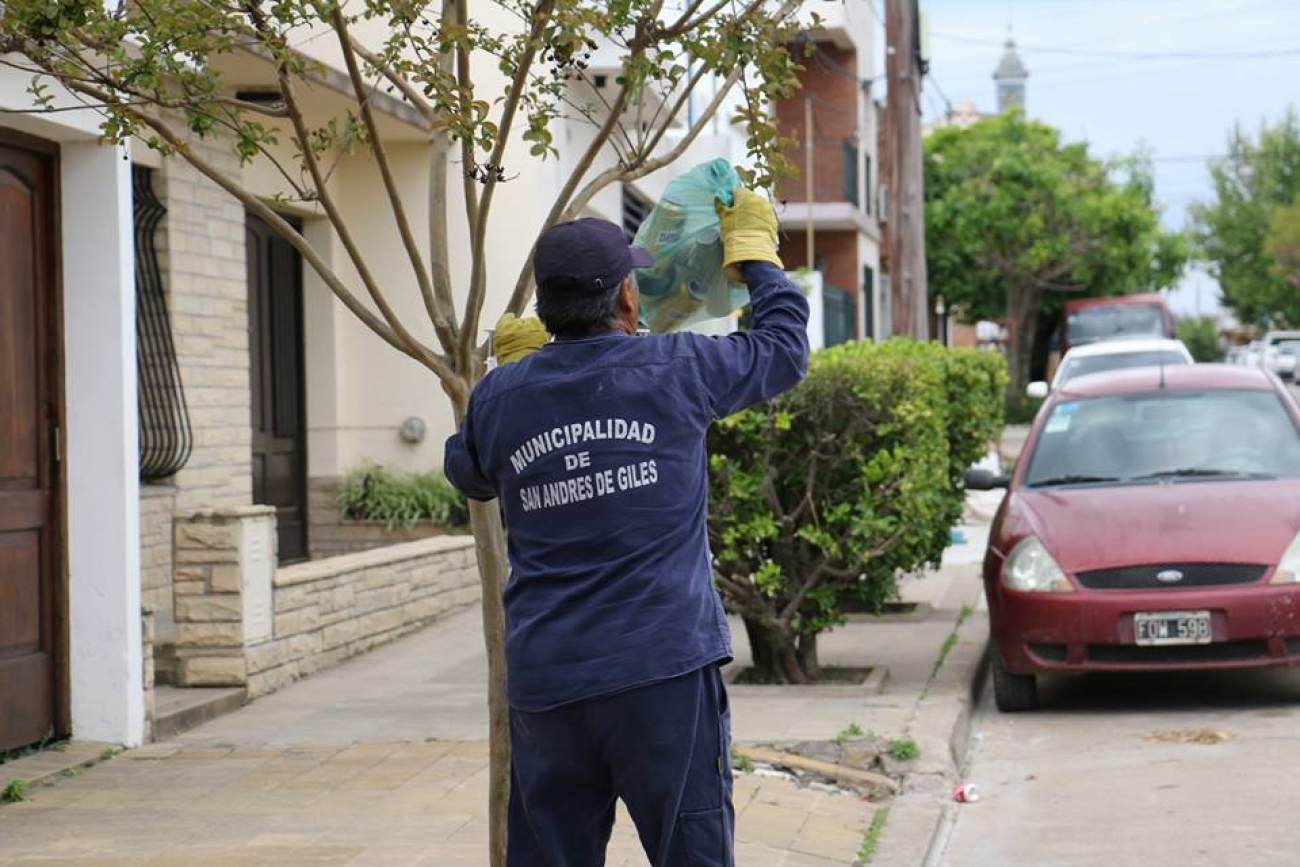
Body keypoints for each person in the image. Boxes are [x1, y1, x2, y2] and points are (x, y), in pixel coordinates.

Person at [443, 188, 810, 867]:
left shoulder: (503, 397)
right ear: (626, 298)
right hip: (661, 675)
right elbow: (782, 350)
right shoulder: (676, 368)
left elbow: (467, 472)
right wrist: (757, 258)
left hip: (550, 683)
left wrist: (508, 378)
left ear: (546, 308)